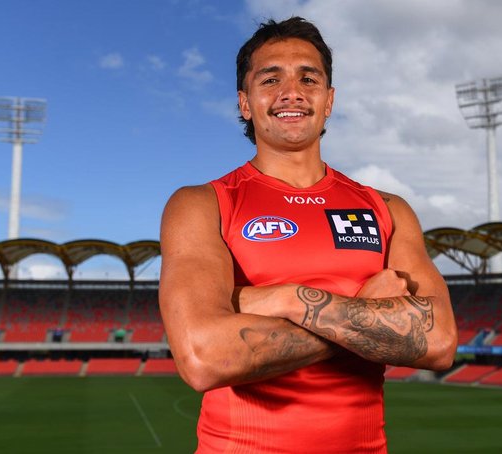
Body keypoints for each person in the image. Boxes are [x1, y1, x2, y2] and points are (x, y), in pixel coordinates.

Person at [159, 16, 457, 453]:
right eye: (271, 78)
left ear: (329, 99)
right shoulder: (201, 205)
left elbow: (439, 342)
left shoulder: (386, 210)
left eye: (308, 77)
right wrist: (365, 312)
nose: (291, 92)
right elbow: (207, 358)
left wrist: (279, 299)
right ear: (245, 102)